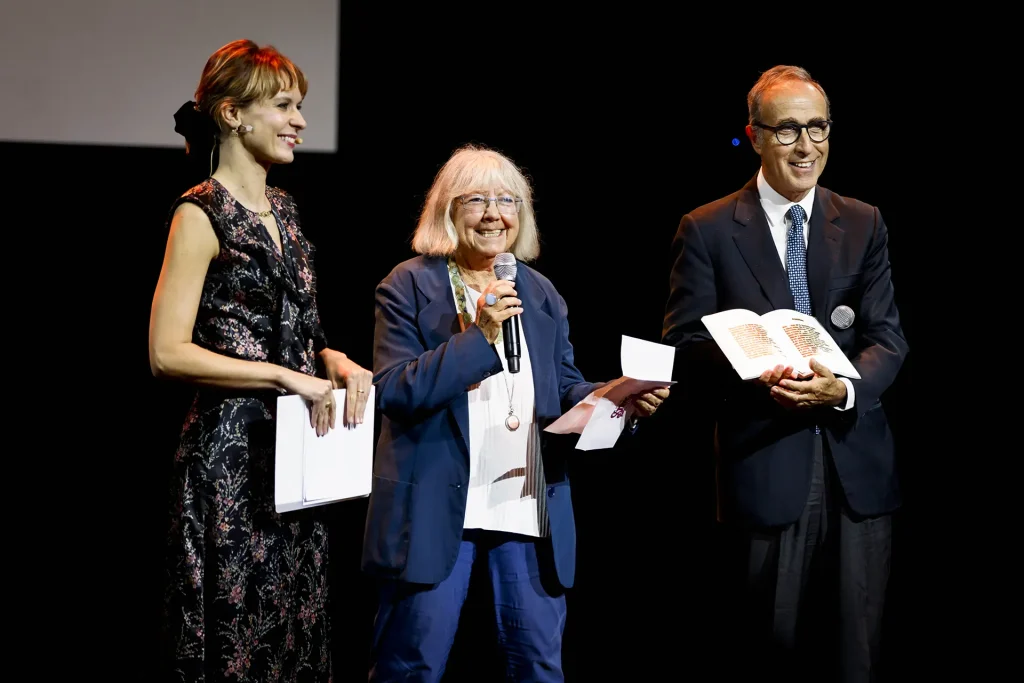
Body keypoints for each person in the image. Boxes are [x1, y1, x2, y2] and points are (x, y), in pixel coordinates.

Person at [362, 144, 670, 682]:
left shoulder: (542, 293)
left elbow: (565, 387)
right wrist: (478, 338)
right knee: (410, 667)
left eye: (507, 200)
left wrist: (618, 397)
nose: (493, 214)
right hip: (438, 505)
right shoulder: (409, 284)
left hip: (526, 504)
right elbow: (393, 389)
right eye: (476, 199)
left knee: (538, 667)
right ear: (447, 211)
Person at [662, 65, 909, 682]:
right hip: (764, 462)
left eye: (818, 127)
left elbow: (888, 338)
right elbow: (684, 344)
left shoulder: (862, 220)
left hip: (857, 468)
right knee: (767, 651)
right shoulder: (709, 227)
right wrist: (755, 362)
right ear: (754, 135)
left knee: (857, 656)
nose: (807, 146)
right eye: (788, 130)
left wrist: (845, 389)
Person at [149, 39, 372, 681]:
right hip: (230, 464)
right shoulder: (200, 211)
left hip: (298, 455)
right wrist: (279, 375)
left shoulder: (287, 211)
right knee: (237, 642)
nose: (299, 120)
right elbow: (166, 352)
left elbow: (299, 331)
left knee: (293, 635)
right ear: (231, 114)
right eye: (283, 105)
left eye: (299, 104)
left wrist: (336, 359)